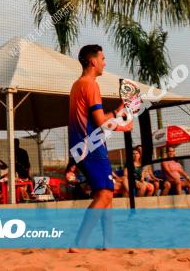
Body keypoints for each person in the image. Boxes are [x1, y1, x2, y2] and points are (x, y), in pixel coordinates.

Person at [68, 44, 133, 252]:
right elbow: (100, 121)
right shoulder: (91, 85)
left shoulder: (77, 85)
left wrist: (118, 114)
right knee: (104, 194)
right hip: (91, 147)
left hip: (83, 146)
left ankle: (108, 242)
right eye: (103, 58)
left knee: (107, 193)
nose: (105, 62)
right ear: (93, 61)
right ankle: (79, 242)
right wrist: (122, 122)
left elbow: (94, 120)